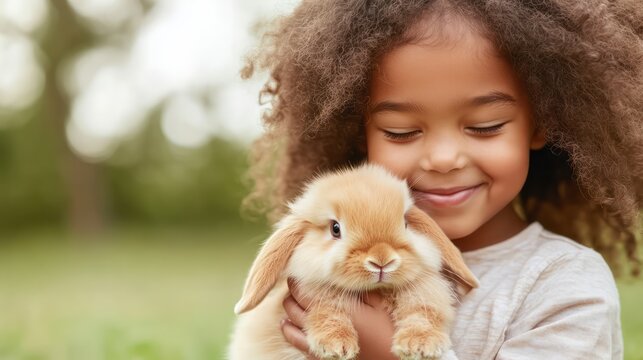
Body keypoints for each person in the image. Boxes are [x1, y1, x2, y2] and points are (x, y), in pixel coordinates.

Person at [241, 0, 643, 359]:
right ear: (359, 134)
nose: (443, 159)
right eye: (400, 131)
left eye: (485, 126)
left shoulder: (564, 285)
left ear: (539, 124)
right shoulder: (322, 261)